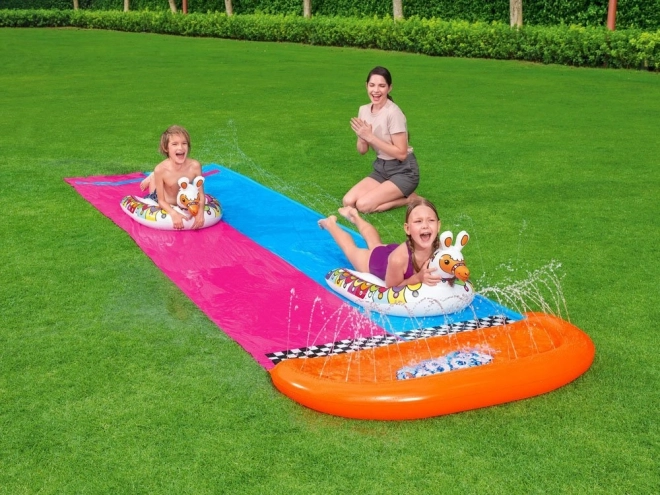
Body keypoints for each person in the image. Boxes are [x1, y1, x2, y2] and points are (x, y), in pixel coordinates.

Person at [343, 66, 420, 213]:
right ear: (366, 86)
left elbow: (401, 154)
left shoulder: (393, 113)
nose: (376, 90)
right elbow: (362, 151)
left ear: (389, 88)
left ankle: (410, 198)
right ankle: (389, 190)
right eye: (372, 85)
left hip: (404, 171)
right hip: (382, 169)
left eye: (382, 86)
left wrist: (371, 137)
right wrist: (362, 138)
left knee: (363, 206)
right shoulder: (363, 110)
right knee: (348, 201)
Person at [318, 197, 441, 288]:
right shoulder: (398, 260)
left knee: (376, 244)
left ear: (438, 225)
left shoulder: (441, 248)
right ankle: (330, 223)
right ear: (407, 229)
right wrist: (417, 278)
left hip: (393, 251)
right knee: (351, 249)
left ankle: (356, 217)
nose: (425, 226)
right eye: (418, 221)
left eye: (431, 220)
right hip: (377, 261)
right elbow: (392, 288)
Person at [140, 125, 205, 230]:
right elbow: (161, 201)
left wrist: (200, 211)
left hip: (182, 199)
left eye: (184, 143)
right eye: (175, 144)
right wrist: (173, 213)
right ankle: (153, 177)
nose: (180, 147)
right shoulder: (161, 169)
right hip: (162, 199)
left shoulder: (195, 166)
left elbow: (201, 194)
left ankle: (153, 177)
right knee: (152, 195)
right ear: (166, 148)